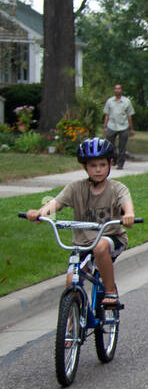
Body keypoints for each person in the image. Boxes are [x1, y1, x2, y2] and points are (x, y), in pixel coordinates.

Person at [25, 137, 136, 310]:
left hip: (111, 238)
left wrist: (129, 214)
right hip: (82, 244)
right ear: (85, 167)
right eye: (93, 166)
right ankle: (71, 328)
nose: (98, 170)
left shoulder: (117, 188)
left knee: (100, 247)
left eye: (102, 165)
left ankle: (110, 291)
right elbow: (55, 203)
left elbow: (126, 204)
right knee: (71, 282)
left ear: (109, 165)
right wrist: (40, 213)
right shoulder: (75, 188)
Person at [103, 84, 134, 169]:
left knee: (122, 146)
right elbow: (107, 115)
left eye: (119, 89)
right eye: (116, 89)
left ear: (121, 90)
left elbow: (129, 116)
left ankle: (121, 163)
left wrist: (131, 129)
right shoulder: (110, 101)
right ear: (114, 90)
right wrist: (105, 127)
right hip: (112, 125)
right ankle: (114, 159)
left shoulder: (127, 101)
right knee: (110, 145)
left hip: (123, 126)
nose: (117, 90)